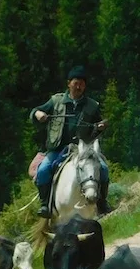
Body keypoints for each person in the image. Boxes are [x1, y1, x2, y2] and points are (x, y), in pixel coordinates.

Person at [30, 65, 110, 218]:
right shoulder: (56, 101)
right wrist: (39, 114)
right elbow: (35, 111)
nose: (78, 86)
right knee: (43, 170)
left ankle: (102, 203)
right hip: (57, 148)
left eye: (82, 83)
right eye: (76, 82)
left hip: (83, 148)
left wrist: (100, 127)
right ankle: (45, 205)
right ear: (69, 83)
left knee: (103, 168)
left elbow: (99, 125)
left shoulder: (92, 106)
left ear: (85, 86)